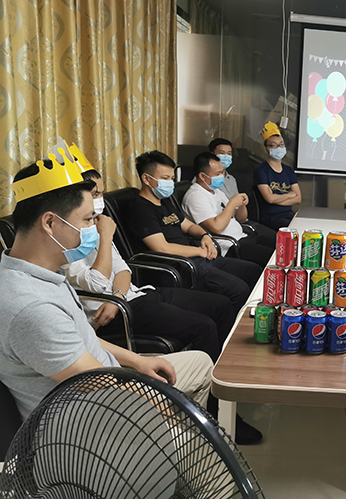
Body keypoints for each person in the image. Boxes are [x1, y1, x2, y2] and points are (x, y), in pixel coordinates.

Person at [0, 155, 212, 420]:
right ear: (50, 223)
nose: (94, 228)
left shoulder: (45, 271)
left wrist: (138, 361)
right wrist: (165, 412)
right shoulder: (32, 307)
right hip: (87, 420)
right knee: (191, 434)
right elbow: (99, 384)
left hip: (107, 380)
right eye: (88, 220)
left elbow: (82, 339)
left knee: (201, 363)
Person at [65, 168, 236, 367]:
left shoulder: (97, 225)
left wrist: (119, 295)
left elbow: (123, 269)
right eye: (94, 194)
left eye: (101, 194)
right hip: (111, 314)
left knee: (221, 305)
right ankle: (208, 383)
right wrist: (105, 236)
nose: (99, 200)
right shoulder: (66, 238)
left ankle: (226, 369)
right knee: (204, 327)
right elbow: (96, 283)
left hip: (133, 295)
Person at [126, 151, 262, 315]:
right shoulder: (140, 209)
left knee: (253, 271)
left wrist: (204, 236)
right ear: (146, 179)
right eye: (165, 178)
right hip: (178, 267)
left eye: (172, 178)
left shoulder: (165, 201)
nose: (170, 183)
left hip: (196, 258)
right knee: (237, 290)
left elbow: (188, 226)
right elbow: (162, 248)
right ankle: (232, 328)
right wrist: (198, 251)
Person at [183, 153, 275, 267]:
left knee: (280, 245)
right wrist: (232, 204)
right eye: (218, 174)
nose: (222, 176)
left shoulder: (216, 191)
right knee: (272, 257)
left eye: (222, 172)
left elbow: (241, 219)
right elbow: (216, 228)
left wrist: (241, 205)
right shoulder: (195, 196)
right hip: (228, 245)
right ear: (202, 176)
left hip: (243, 236)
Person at [208, 138, 277, 240]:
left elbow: (241, 214)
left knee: (276, 237)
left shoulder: (231, 179)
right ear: (212, 155)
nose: (226, 157)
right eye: (222, 153)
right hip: (227, 226)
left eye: (229, 154)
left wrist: (242, 203)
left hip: (241, 221)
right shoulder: (207, 181)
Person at [254, 122, 302, 230]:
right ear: (266, 149)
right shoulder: (261, 170)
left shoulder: (289, 170)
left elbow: (298, 198)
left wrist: (277, 198)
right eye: (273, 145)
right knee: (292, 231)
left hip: (289, 214)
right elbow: (270, 199)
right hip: (271, 218)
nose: (279, 148)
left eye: (281, 144)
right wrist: (289, 195)